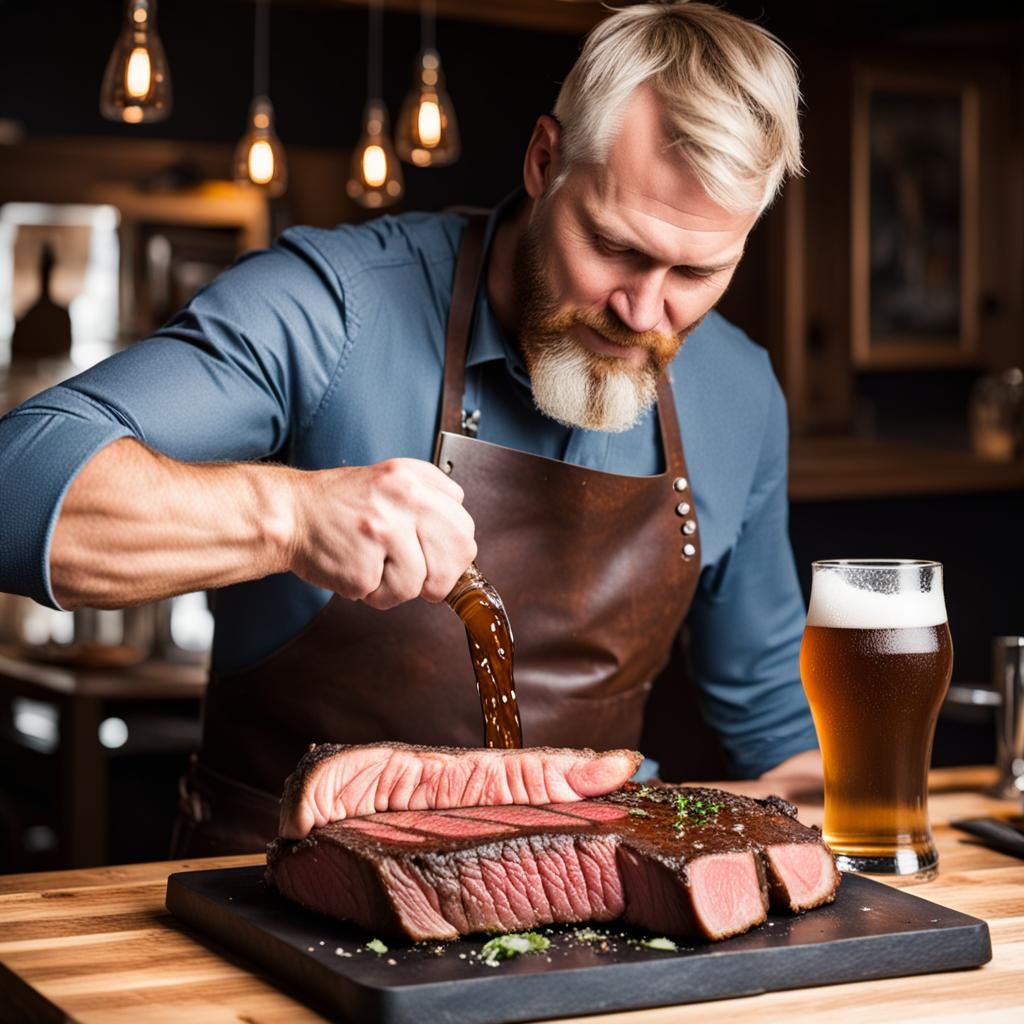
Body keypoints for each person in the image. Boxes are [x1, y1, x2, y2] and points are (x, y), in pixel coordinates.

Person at [0, 1, 821, 855]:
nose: (645, 311)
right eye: (613, 246)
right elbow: (15, 485)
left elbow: (771, 719)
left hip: (578, 921)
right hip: (271, 907)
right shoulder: (333, 307)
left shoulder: (740, 393)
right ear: (545, 161)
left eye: (696, 270)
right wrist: (293, 517)